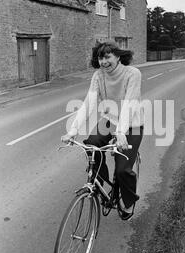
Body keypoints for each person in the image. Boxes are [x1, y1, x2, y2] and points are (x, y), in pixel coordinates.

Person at [61, 41, 144, 220]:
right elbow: (89, 103)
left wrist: (121, 132)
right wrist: (73, 130)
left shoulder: (133, 74)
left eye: (107, 57)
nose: (103, 61)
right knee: (91, 146)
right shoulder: (99, 75)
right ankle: (99, 182)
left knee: (123, 171)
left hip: (132, 125)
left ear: (118, 57)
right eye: (100, 58)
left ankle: (128, 201)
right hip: (109, 121)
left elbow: (129, 104)